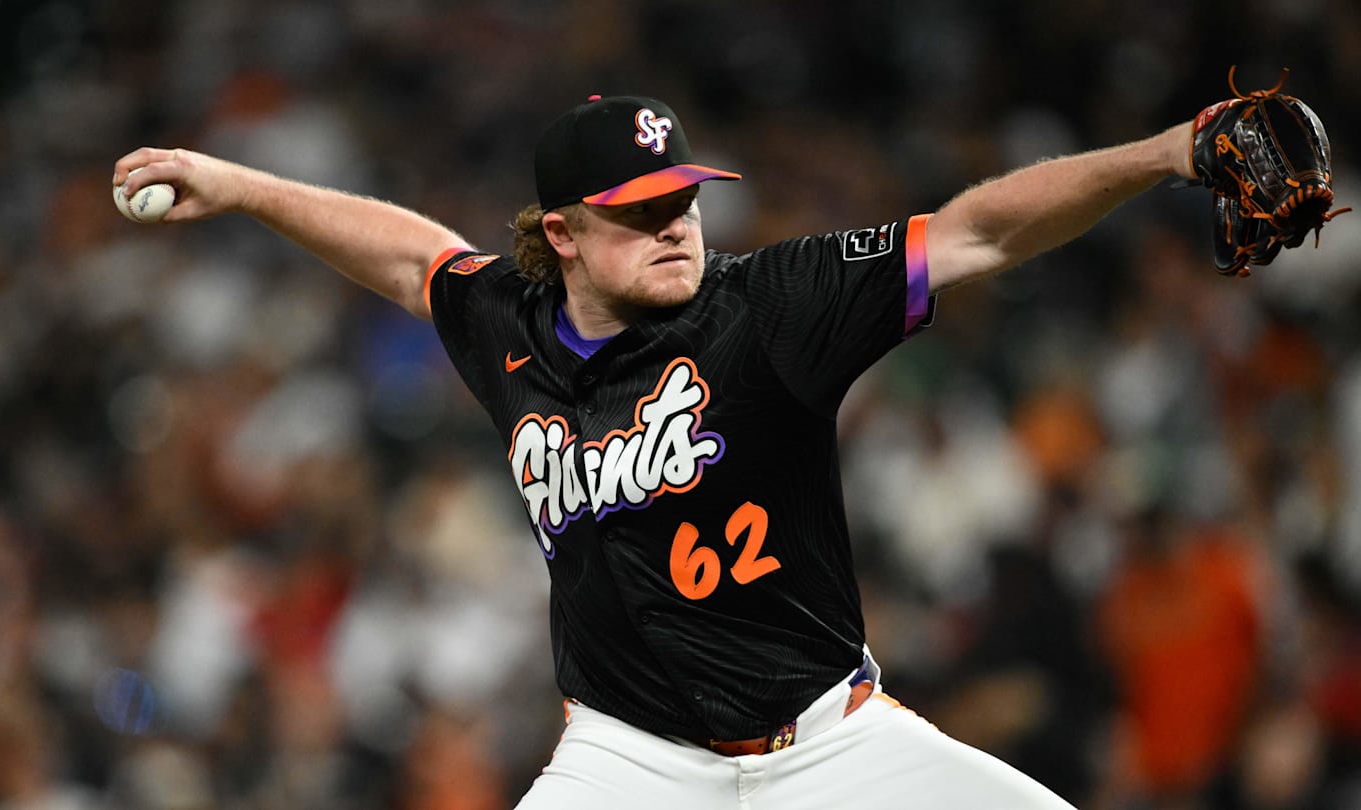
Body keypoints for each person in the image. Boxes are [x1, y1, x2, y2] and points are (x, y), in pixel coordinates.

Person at [113, 93, 1199, 809]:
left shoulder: (770, 304)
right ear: (561, 237)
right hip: (630, 761)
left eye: (683, 199)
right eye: (640, 211)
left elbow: (977, 231)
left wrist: (1166, 152)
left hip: (826, 740)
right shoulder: (509, 325)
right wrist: (245, 186)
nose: (678, 224)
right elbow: (412, 260)